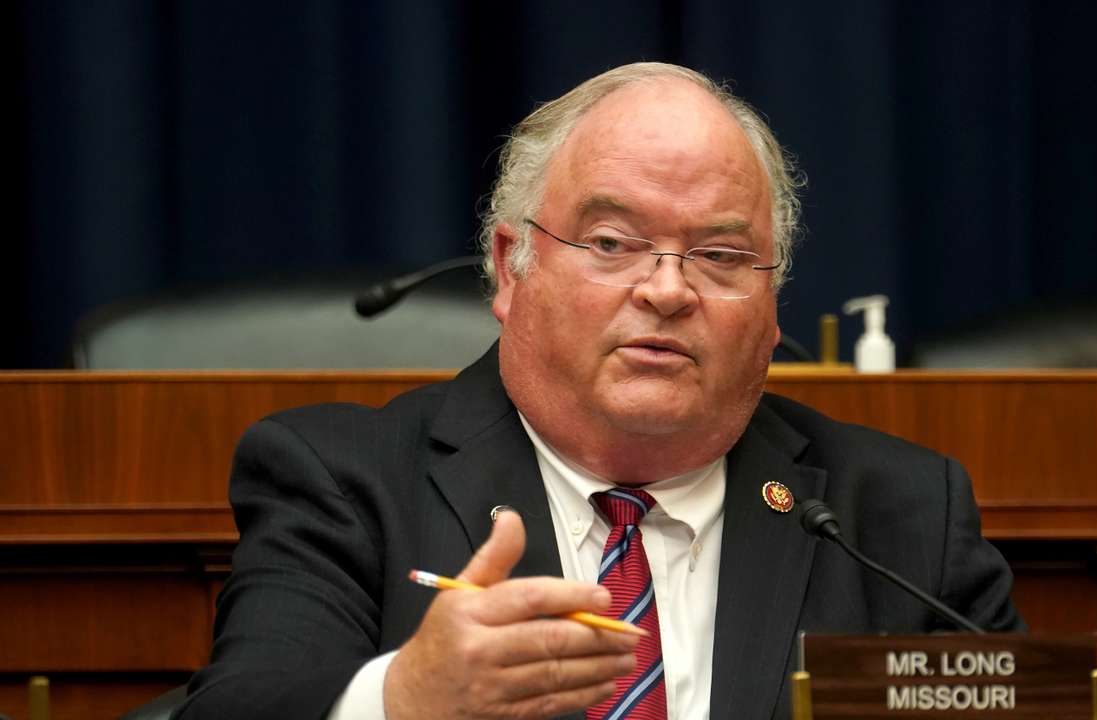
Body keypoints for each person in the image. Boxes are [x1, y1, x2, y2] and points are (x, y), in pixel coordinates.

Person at [176, 62, 1023, 720]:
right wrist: (405, 698)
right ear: (510, 268)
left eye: (722, 257)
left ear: (772, 313)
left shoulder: (899, 517)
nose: (667, 289)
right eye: (614, 242)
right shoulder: (346, 483)